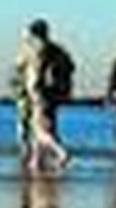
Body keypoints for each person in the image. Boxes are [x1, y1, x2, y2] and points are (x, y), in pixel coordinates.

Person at [13, 19, 74, 173]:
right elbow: (71, 67)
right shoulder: (57, 50)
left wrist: (33, 93)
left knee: (39, 130)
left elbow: (34, 74)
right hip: (54, 94)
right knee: (48, 128)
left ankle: (61, 153)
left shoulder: (37, 50)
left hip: (39, 94)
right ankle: (36, 162)